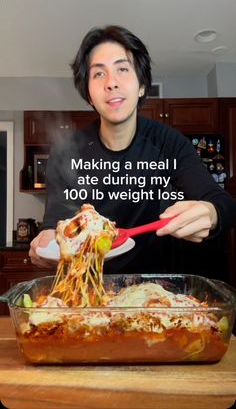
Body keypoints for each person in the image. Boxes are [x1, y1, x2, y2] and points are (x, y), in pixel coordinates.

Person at [29, 25, 236, 275]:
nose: (111, 83)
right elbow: (57, 222)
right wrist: (49, 240)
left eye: (123, 69)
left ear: (141, 87)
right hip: (89, 288)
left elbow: (222, 202)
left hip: (156, 288)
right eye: (98, 74)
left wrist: (211, 213)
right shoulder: (66, 153)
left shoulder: (167, 142)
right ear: (89, 96)